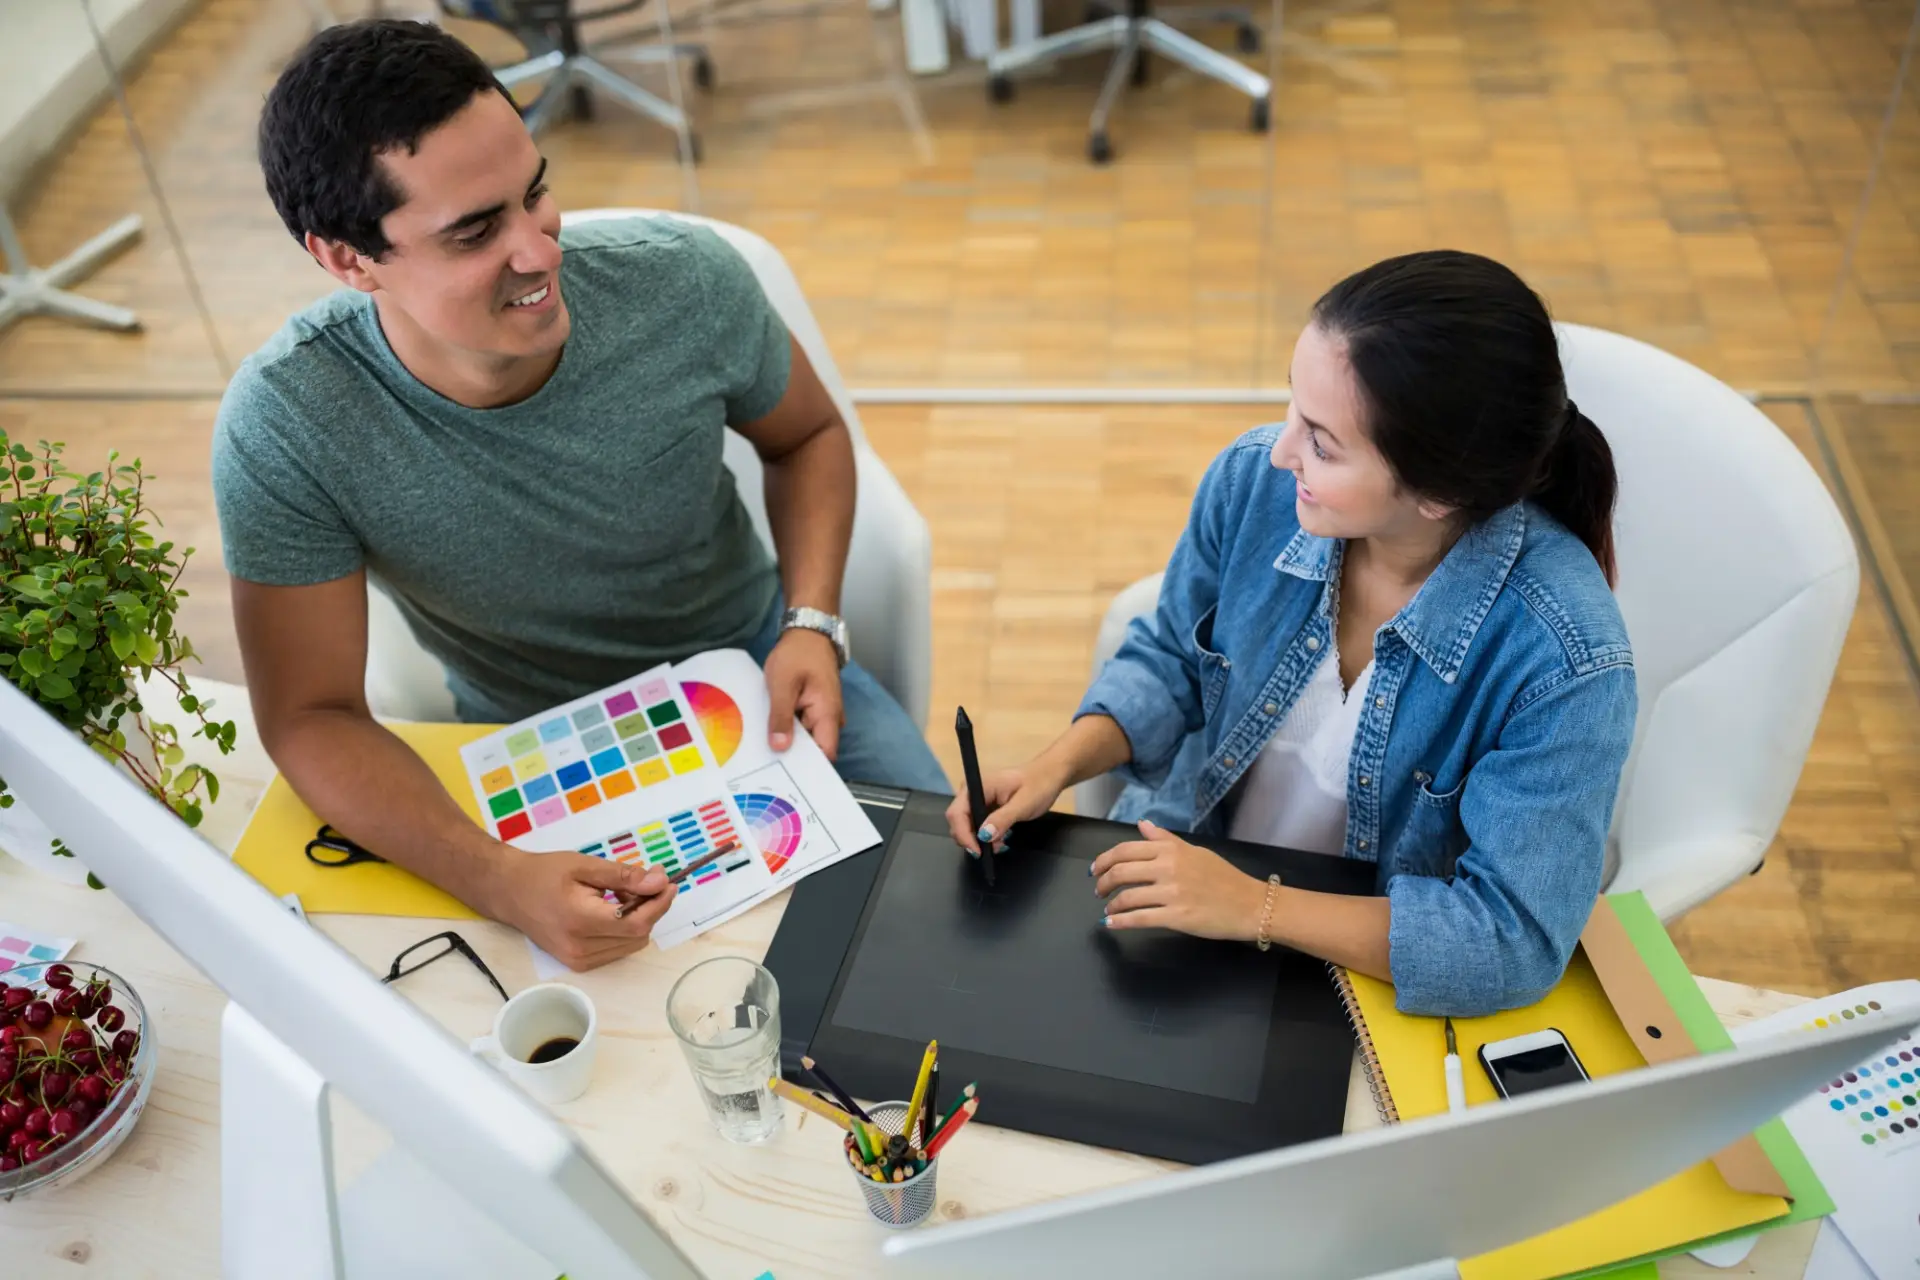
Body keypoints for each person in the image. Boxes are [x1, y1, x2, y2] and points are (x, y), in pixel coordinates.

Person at [215, 19, 948, 971]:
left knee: (953, 908)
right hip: (525, 747)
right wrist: (496, 877)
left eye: (537, 191)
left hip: (754, 670)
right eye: (477, 230)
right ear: (348, 260)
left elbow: (806, 436)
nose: (540, 249)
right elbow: (309, 717)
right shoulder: (288, 422)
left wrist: (812, 620)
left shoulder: (684, 282)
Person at [948, 250, 1637, 1016]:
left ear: (1440, 491)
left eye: (1322, 442)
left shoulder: (1566, 660)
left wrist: (1254, 908)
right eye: (1292, 409)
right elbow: (1175, 656)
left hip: (1359, 979)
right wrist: (1058, 765)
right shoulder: (1253, 481)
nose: (1280, 453)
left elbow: (1507, 940)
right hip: (1188, 885)